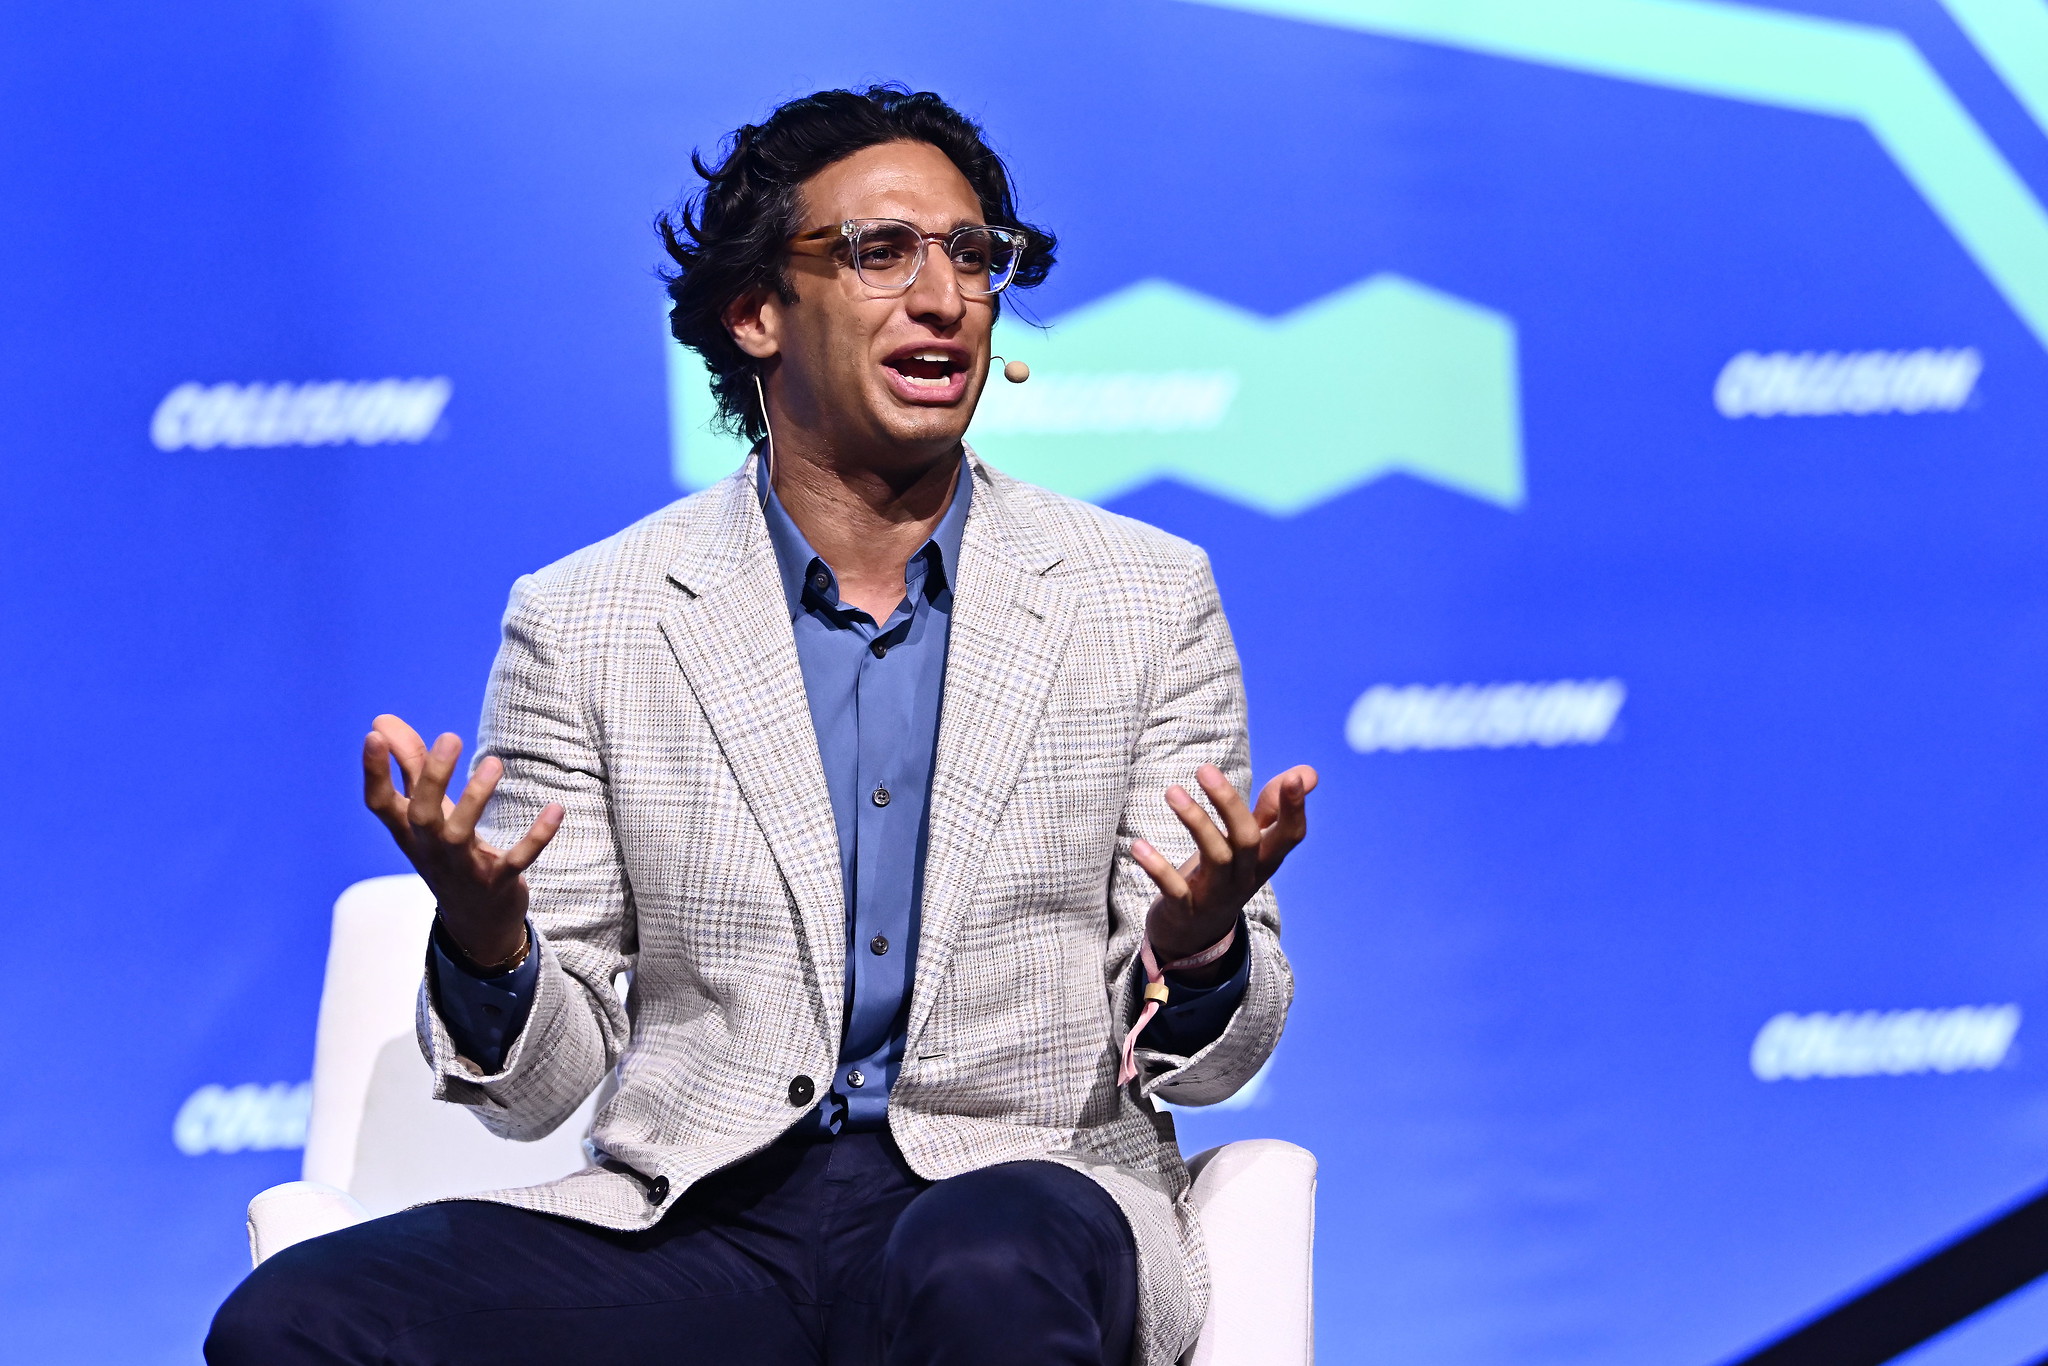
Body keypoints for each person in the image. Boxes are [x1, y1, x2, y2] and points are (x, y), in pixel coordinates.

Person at [207, 84, 1317, 1366]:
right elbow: (539, 1091)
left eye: (970, 254)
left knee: (978, 1267)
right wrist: (487, 936)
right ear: (754, 314)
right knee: (298, 1318)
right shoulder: (591, 620)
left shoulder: (1140, 595)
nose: (945, 295)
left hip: (1019, 1187)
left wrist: (1196, 943)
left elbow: (1215, 1059)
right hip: (706, 1222)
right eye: (878, 251)